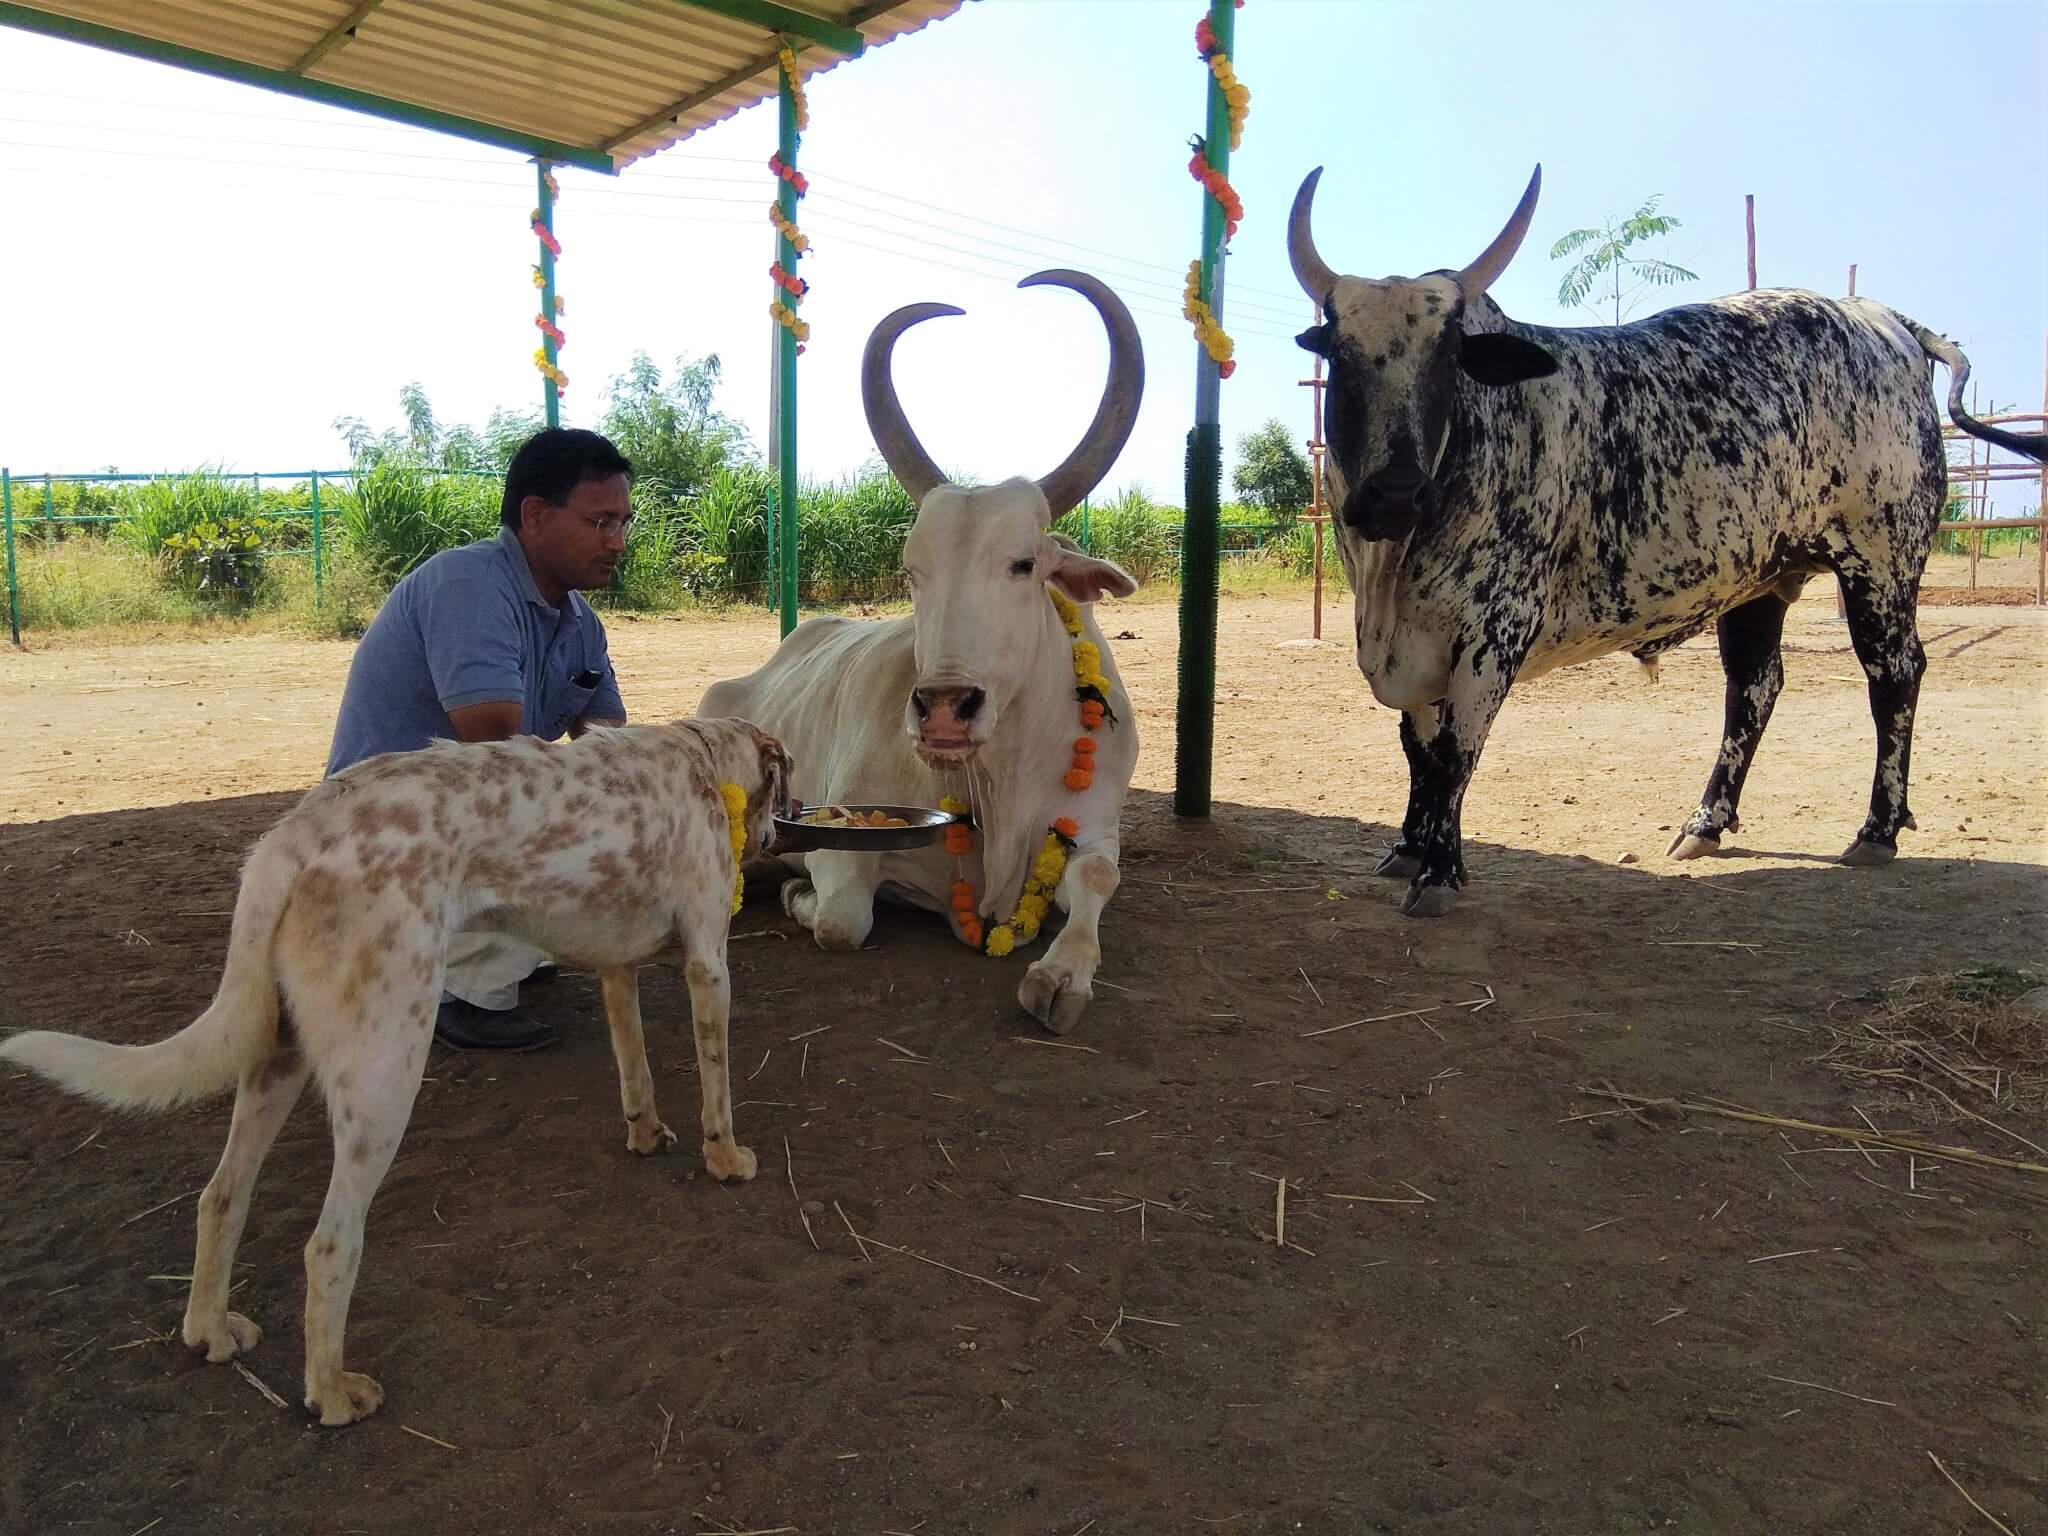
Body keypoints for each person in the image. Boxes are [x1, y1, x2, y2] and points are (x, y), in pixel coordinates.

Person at [325, 427, 633, 1051]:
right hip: (378, 831)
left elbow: (612, 748)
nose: (616, 542)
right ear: (535, 515)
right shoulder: (468, 585)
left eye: (623, 523)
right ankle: (463, 990)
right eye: (600, 523)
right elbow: (492, 746)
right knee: (534, 802)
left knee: (595, 811)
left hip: (451, 816)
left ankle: (492, 942)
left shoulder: (581, 623)